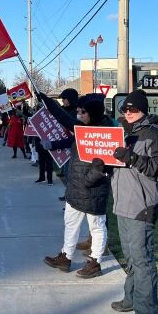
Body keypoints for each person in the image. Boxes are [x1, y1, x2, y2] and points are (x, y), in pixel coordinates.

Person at [108, 89, 158, 314]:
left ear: (143, 110)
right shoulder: (125, 132)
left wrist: (133, 158)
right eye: (125, 109)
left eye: (133, 109)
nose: (128, 113)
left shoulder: (153, 134)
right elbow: (119, 166)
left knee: (142, 259)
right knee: (131, 257)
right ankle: (131, 298)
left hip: (142, 206)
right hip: (123, 204)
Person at [39, 93, 111, 279]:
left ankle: (94, 262)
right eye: (78, 111)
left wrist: (89, 179)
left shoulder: (107, 133)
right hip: (75, 188)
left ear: (93, 114)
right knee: (70, 224)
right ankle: (66, 257)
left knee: (97, 226)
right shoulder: (81, 129)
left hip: (93, 189)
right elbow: (63, 117)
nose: (78, 115)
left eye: (83, 112)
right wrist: (47, 101)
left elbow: (106, 165)